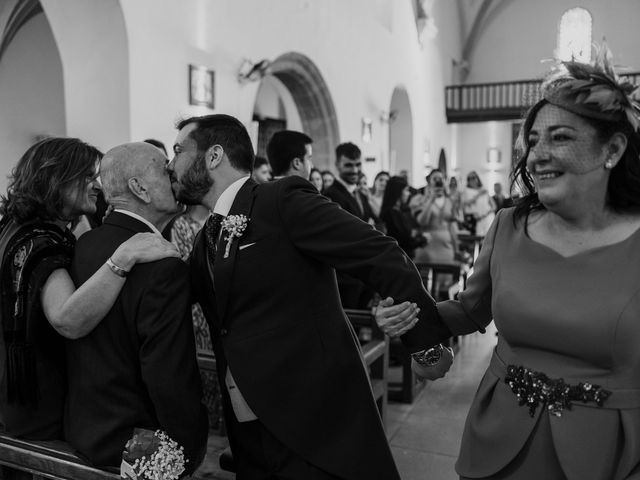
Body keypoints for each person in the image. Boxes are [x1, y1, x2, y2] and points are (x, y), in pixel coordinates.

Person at [376, 48, 640, 479]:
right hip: (500, 440)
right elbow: (466, 312)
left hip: (606, 454)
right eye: (532, 140)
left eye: (560, 138)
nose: (537, 155)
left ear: (612, 148)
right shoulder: (509, 226)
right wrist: (411, 318)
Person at [167, 114, 453, 480]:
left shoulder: (280, 199)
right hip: (248, 425)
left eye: (178, 151)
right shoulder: (207, 234)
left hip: (314, 417)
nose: (170, 163)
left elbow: (379, 253)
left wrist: (425, 345)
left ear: (214, 155)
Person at [0, 138, 178, 440]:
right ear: (55, 178)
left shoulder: (14, 227)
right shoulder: (39, 242)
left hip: (14, 394)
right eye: (86, 176)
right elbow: (68, 320)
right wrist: (124, 256)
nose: (96, 185)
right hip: (38, 403)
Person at [65, 142, 208, 473]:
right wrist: (189, 444)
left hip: (84, 431)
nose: (174, 175)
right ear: (139, 188)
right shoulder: (160, 265)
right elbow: (169, 373)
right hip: (139, 443)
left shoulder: (85, 244)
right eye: (164, 170)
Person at [414, 169, 459, 265]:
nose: (438, 181)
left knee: (446, 278)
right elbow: (422, 222)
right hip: (427, 245)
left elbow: (452, 227)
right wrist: (431, 199)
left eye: (441, 178)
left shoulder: (450, 201)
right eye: (435, 178)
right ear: (429, 181)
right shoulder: (421, 199)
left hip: (446, 246)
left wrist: (456, 249)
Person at [380, 176, 428, 259]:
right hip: (399, 258)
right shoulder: (391, 213)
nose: (408, 193)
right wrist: (423, 240)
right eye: (406, 190)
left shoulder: (399, 210)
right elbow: (403, 241)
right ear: (398, 192)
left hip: (405, 256)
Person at [462, 170, 495, 236]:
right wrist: (479, 194)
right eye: (469, 179)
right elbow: (467, 204)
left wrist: (486, 214)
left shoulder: (484, 189)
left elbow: (494, 206)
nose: (472, 180)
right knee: (479, 239)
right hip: (478, 220)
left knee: (490, 237)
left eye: (474, 178)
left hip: (488, 216)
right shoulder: (466, 191)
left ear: (477, 178)